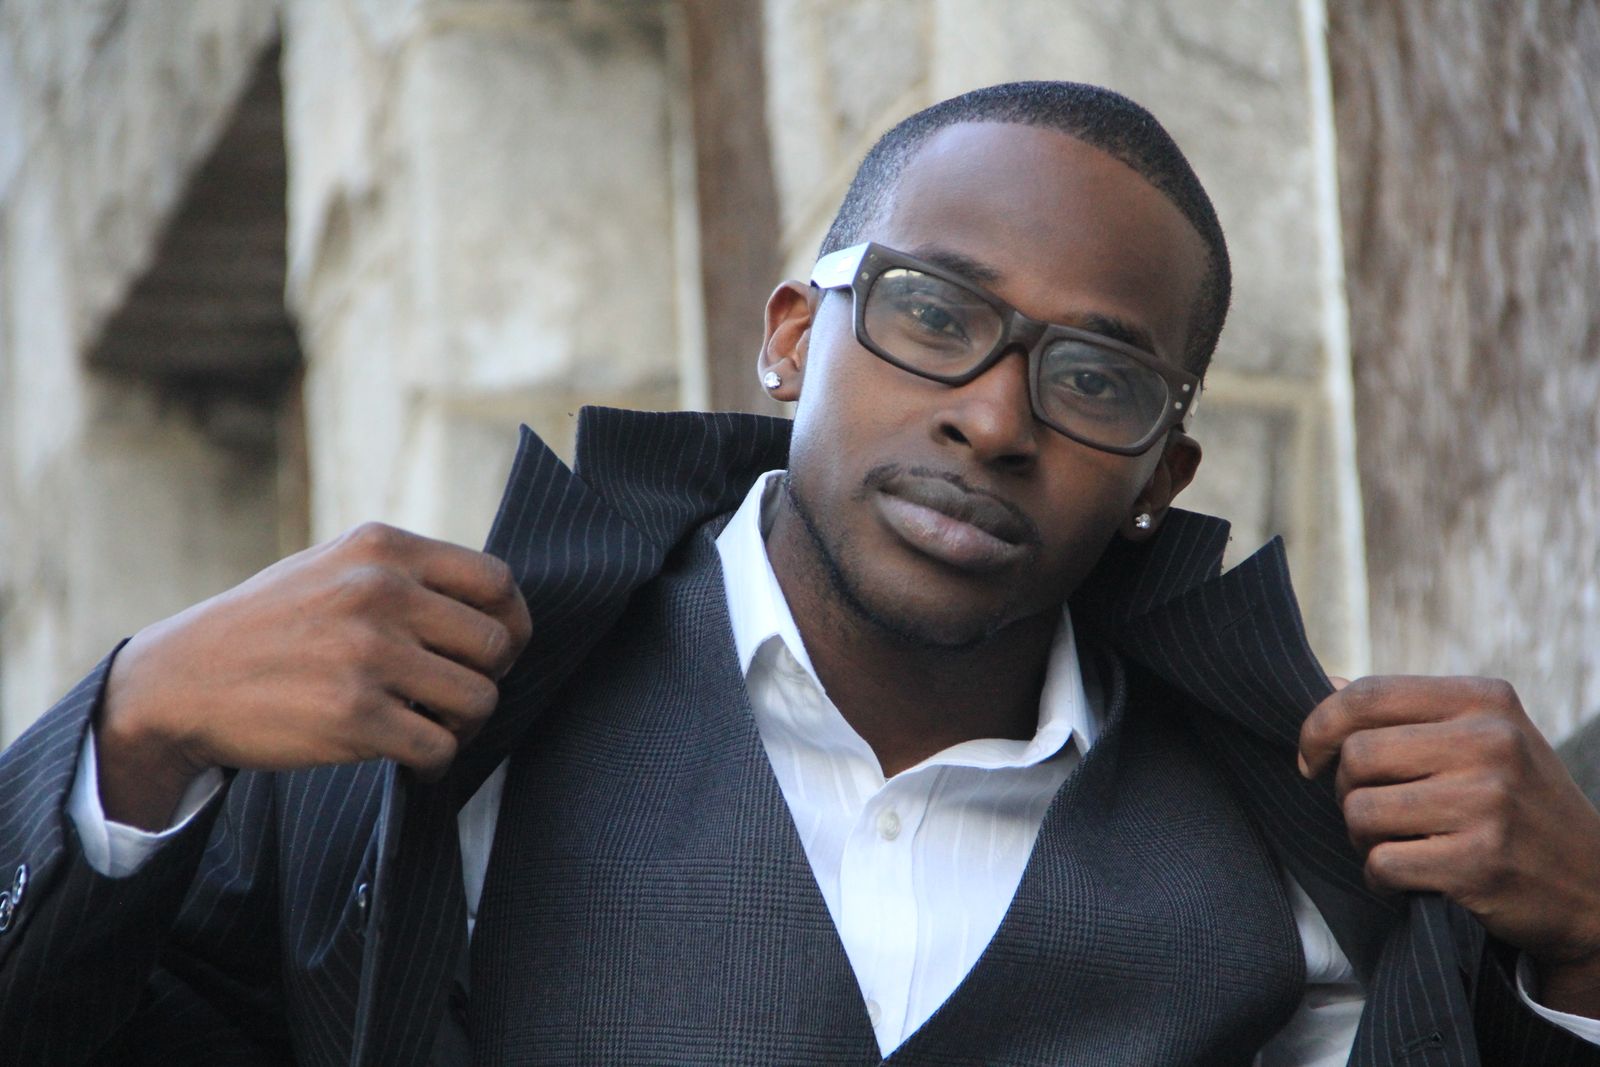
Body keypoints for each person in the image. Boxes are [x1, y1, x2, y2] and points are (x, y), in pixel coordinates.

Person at [2, 81, 1598, 1066]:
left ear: (1160, 481)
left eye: (1097, 380)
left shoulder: (1308, 862)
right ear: (790, 337)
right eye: (930, 313)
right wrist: (131, 735)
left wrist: (1586, 946)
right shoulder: (436, 745)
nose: (991, 419)